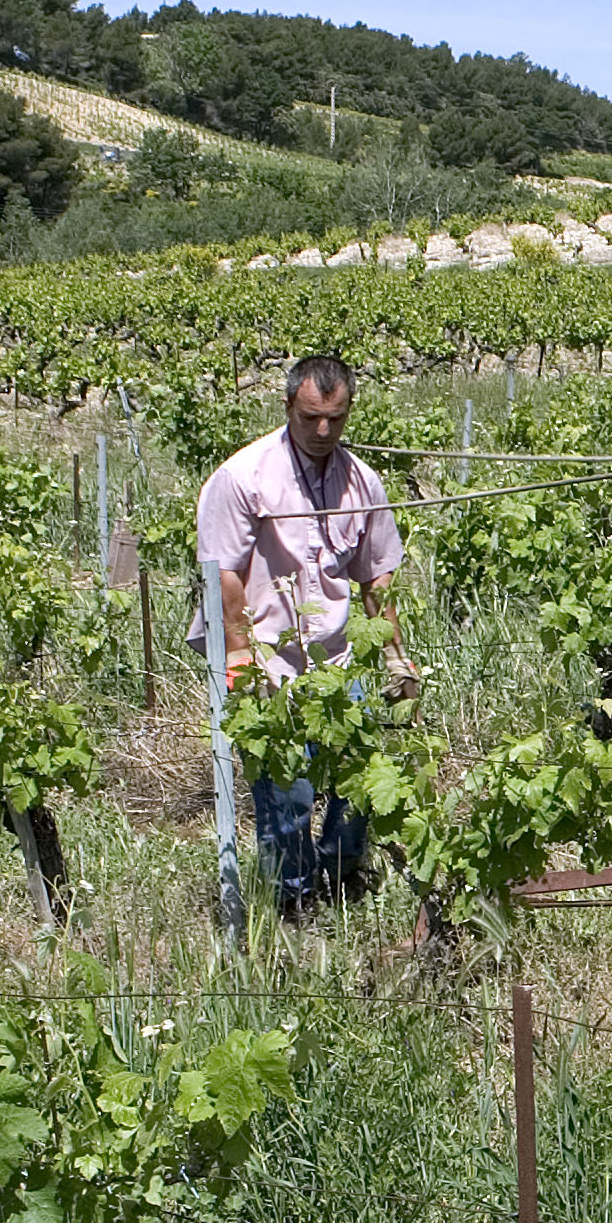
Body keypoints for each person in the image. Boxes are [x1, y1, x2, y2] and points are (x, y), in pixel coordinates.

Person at [196, 354, 410, 923]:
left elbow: (376, 575)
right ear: (288, 405)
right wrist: (240, 654)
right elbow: (224, 573)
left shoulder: (362, 481)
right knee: (287, 795)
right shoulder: (243, 477)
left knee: (361, 781)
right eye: (312, 417)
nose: (323, 432)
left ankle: (341, 880)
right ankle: (293, 902)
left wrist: (393, 655)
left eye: (335, 420)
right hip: (272, 658)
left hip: (341, 657)